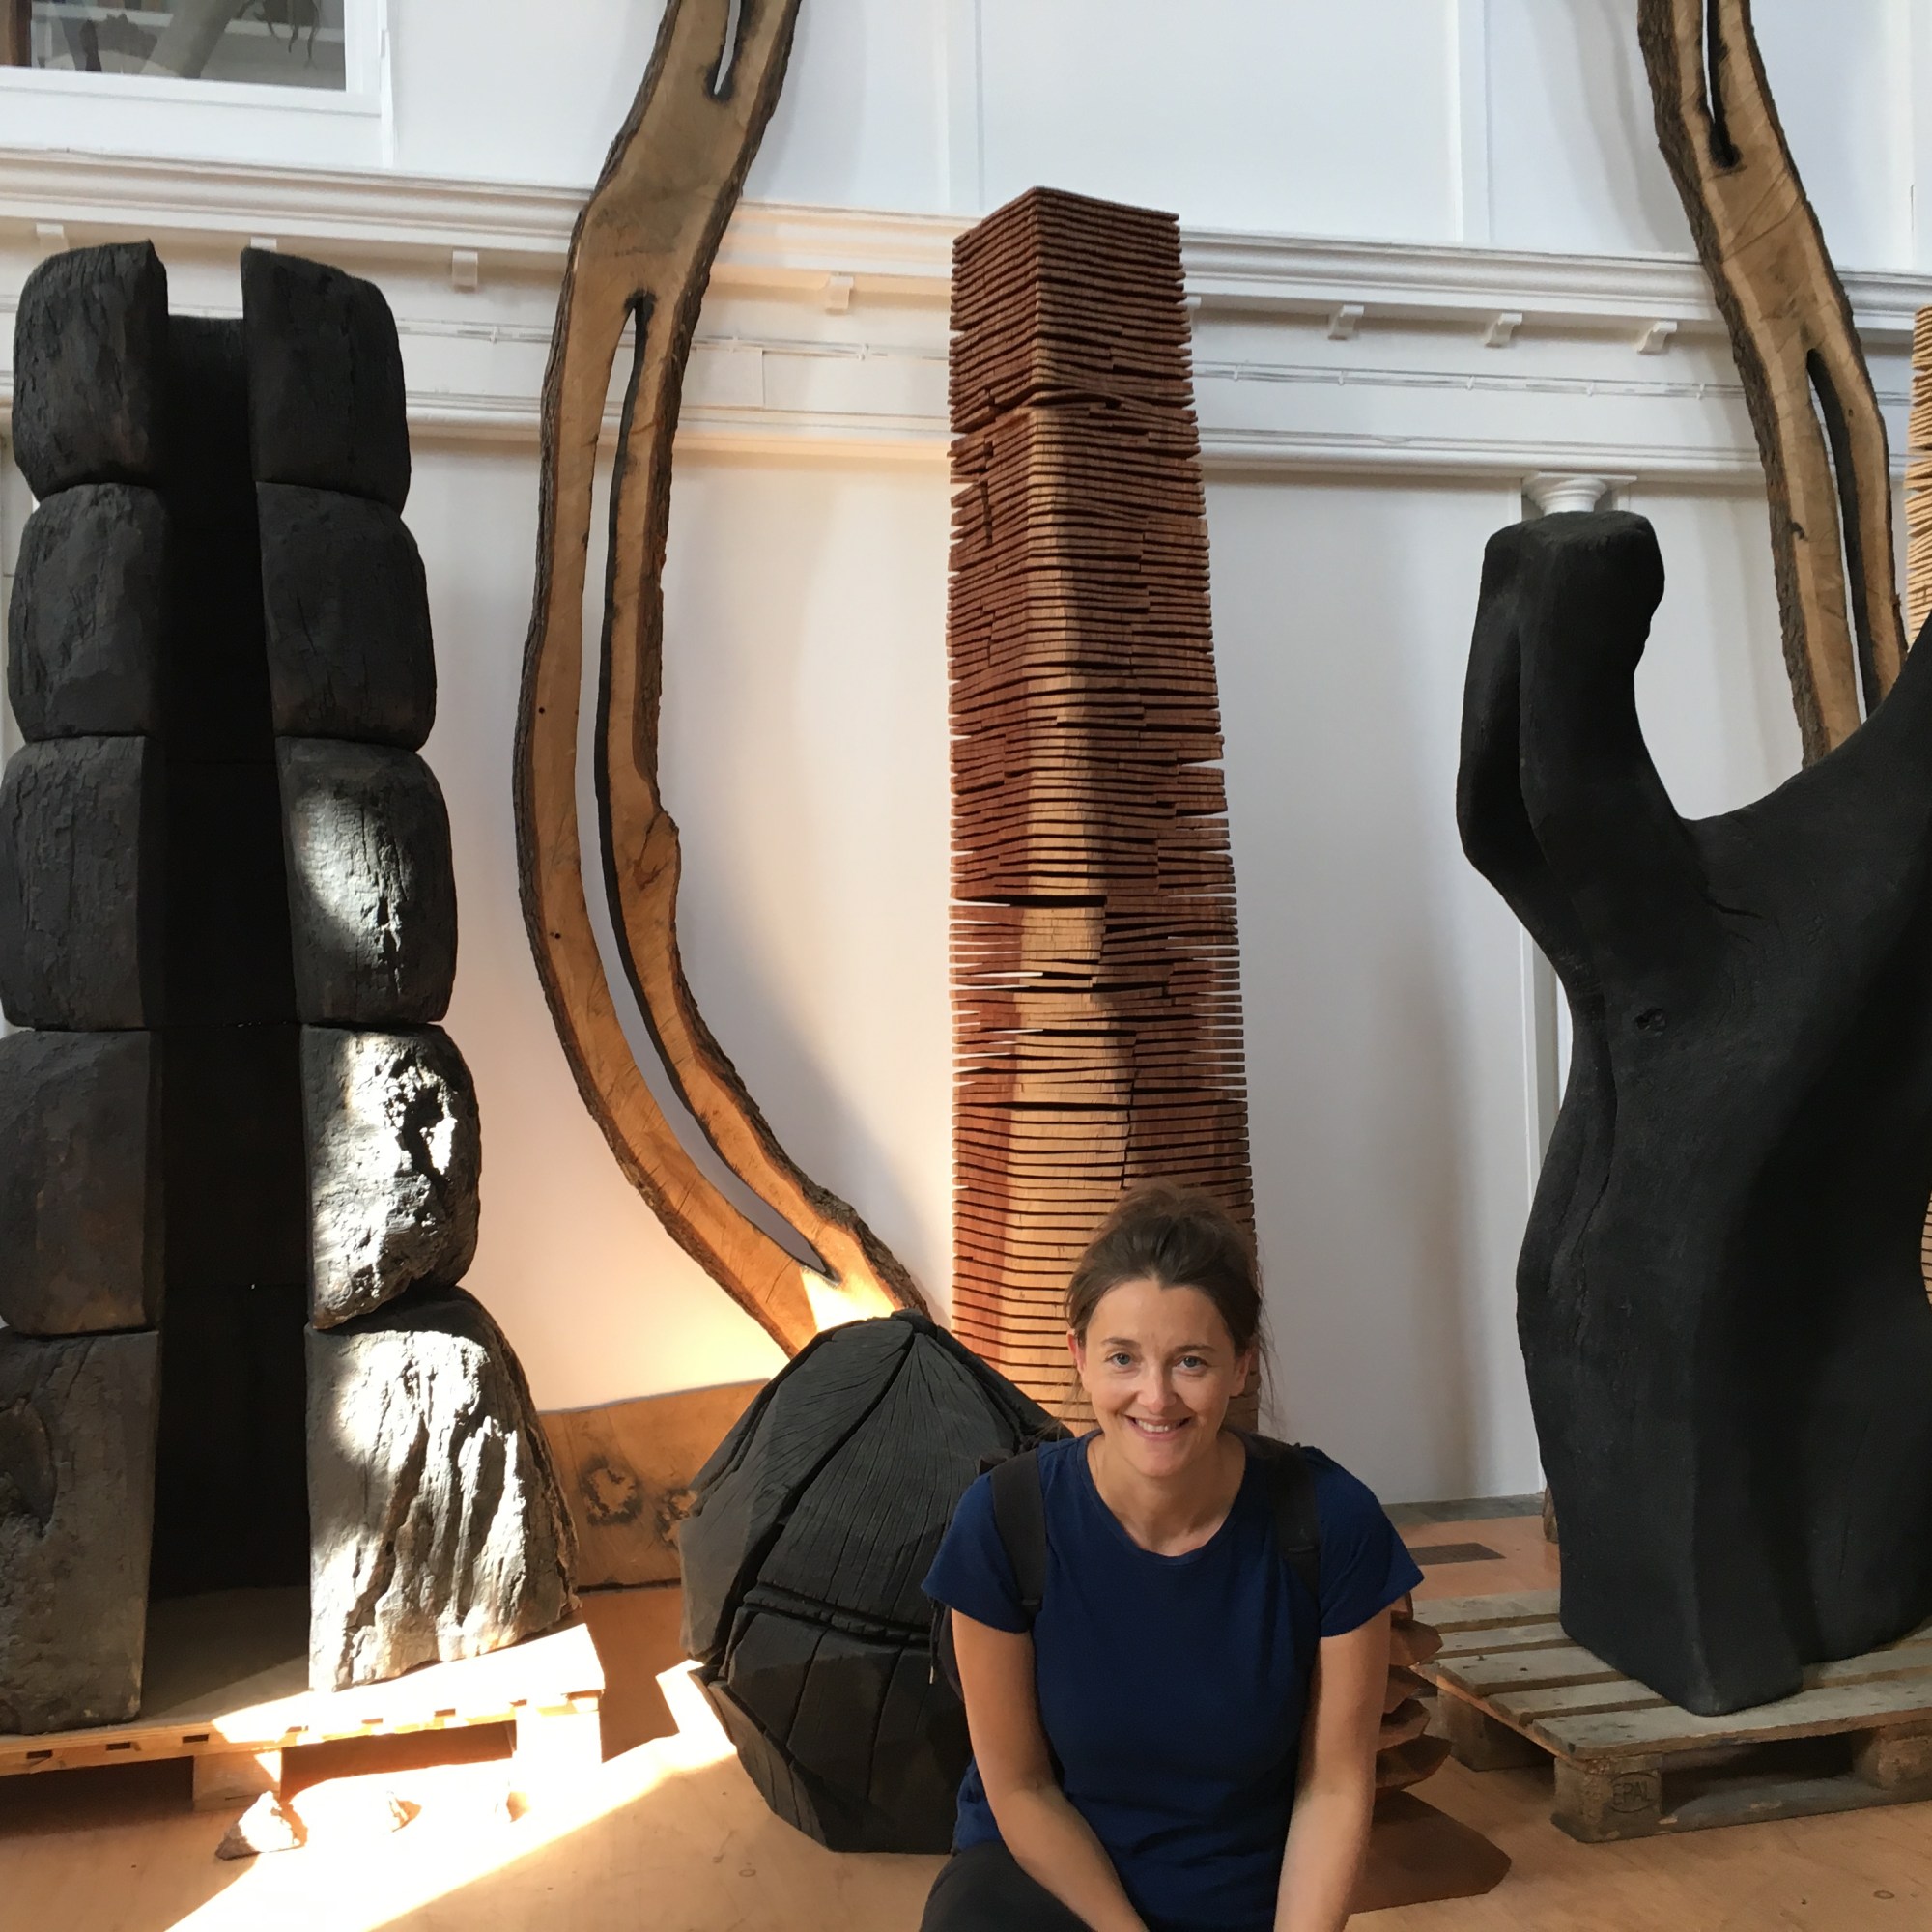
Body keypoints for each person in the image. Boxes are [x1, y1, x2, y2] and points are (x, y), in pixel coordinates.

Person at [919, 1182, 1422, 1932]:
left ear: (1241, 1365)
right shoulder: (1002, 1522)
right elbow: (1020, 1788)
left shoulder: (1330, 1520)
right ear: (1079, 1357)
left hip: (1237, 1888)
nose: (1155, 1398)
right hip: (1049, 1880)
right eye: (1123, 1358)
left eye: (1191, 1361)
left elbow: (1335, 1789)